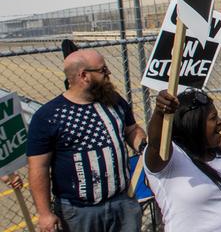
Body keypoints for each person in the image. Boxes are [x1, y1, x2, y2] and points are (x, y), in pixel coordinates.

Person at [26, 49, 146, 232]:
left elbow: (131, 130)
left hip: (122, 202)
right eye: (103, 70)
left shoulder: (114, 101)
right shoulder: (48, 116)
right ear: (84, 75)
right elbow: (38, 168)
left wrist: (143, 145)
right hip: (78, 213)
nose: (109, 74)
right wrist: (44, 213)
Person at [144, 89, 221, 232]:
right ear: (193, 124)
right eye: (213, 118)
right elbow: (156, 143)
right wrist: (160, 112)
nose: (220, 122)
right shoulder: (169, 158)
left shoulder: (217, 154)